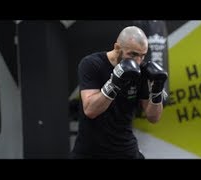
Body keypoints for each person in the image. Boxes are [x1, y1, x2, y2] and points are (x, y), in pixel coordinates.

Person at [70, 26, 168, 159]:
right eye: (132, 54)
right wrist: (115, 81)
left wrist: (157, 90)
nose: (138, 61)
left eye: (142, 55)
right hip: (90, 151)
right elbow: (90, 110)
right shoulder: (92, 64)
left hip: (126, 150)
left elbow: (153, 117)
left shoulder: (142, 71)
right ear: (117, 47)